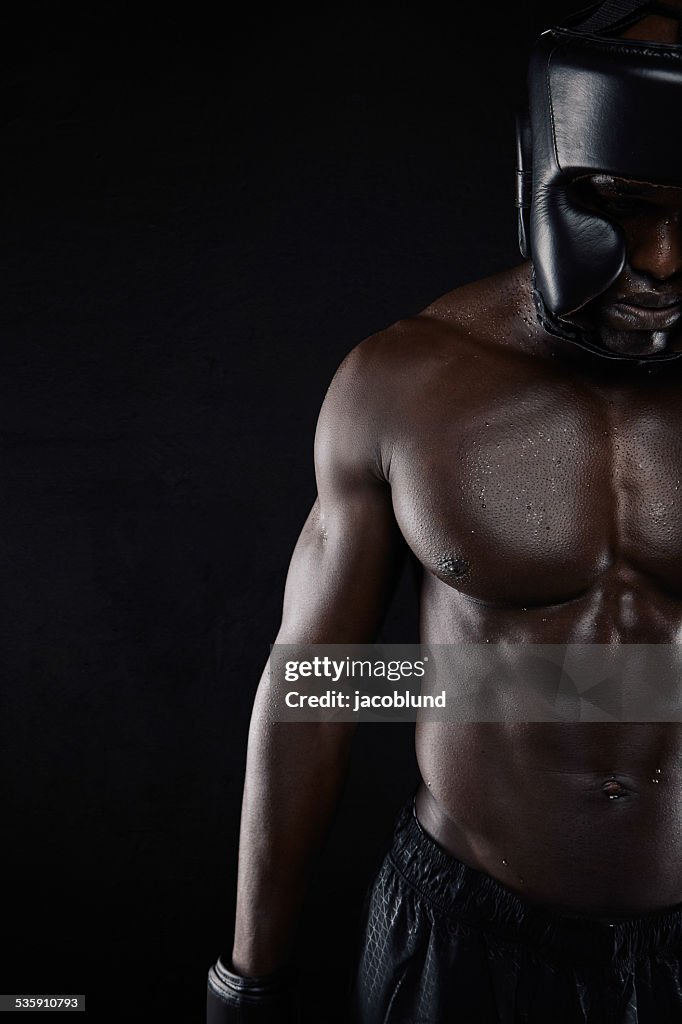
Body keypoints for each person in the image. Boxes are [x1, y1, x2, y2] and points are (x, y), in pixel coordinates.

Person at [207, 1, 682, 1020]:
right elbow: (317, 685)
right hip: (466, 937)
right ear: (544, 173)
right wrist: (245, 978)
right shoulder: (410, 382)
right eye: (625, 204)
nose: (662, 259)